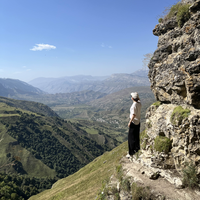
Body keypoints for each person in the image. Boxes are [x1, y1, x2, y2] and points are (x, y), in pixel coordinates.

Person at [127, 92, 141, 159]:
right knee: (136, 136)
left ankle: (131, 152)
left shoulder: (134, 105)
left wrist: (130, 122)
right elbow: (139, 100)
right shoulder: (139, 103)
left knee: (131, 138)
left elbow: (133, 114)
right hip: (138, 121)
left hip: (133, 122)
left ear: (132, 98)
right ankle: (137, 148)